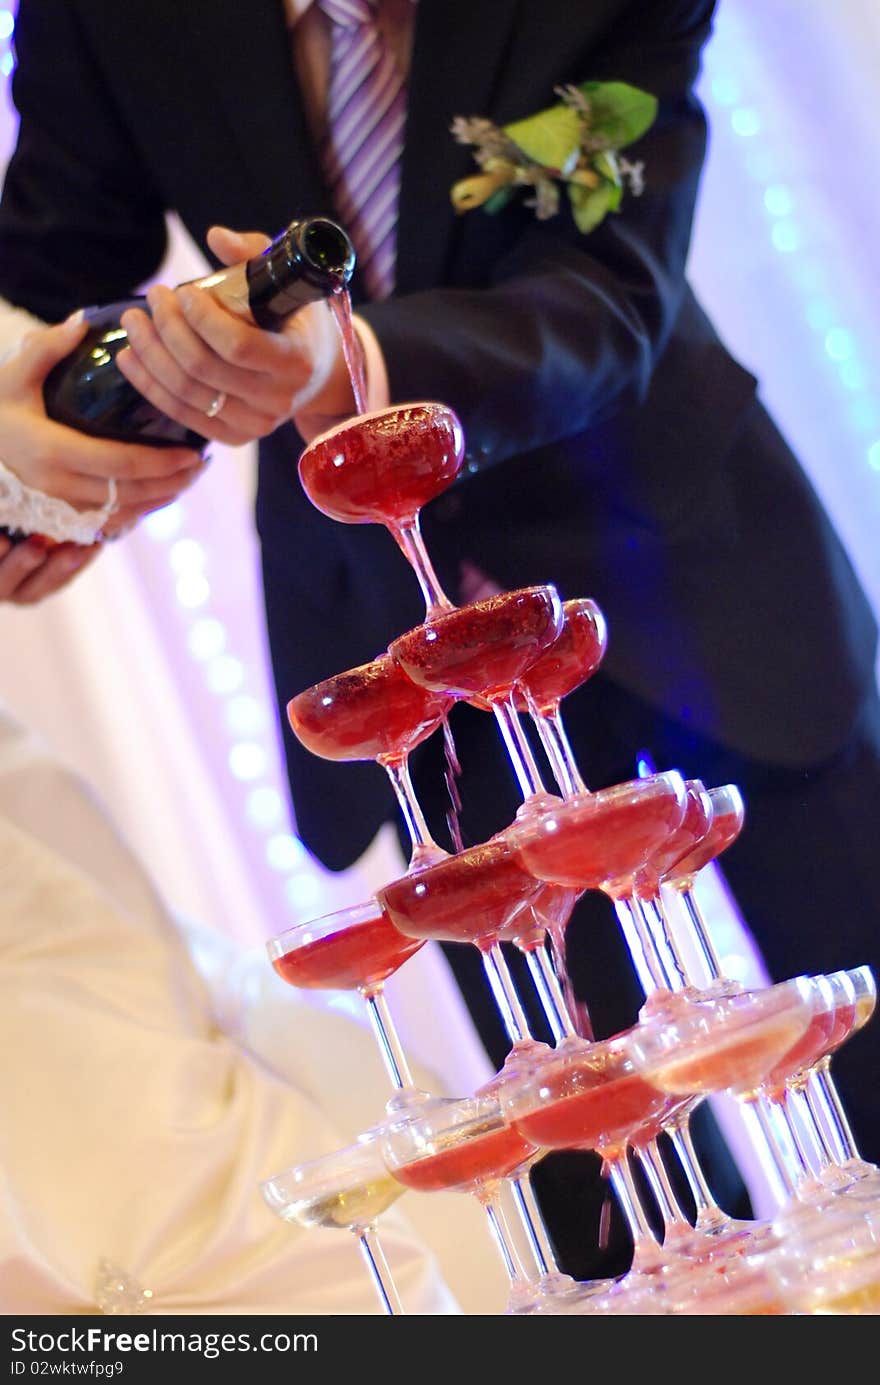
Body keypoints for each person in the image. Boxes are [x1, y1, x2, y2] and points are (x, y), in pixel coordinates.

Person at [1, 0, 878, 1278]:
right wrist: (50, 453)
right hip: (407, 666)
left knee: (853, 1021)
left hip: (695, 576)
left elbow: (613, 292)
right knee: (588, 1158)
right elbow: (53, 274)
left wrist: (344, 363)